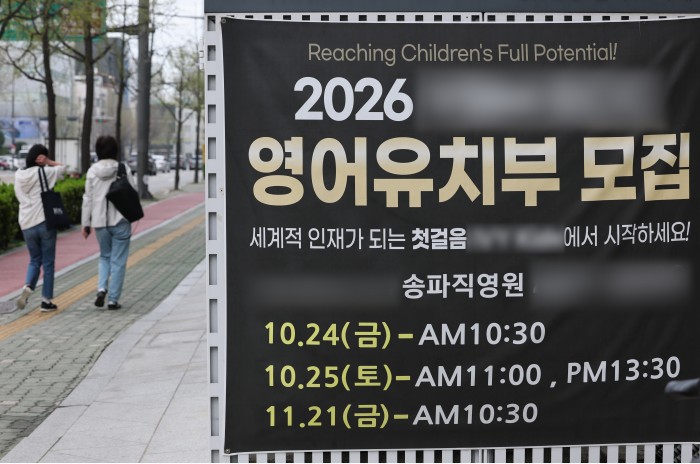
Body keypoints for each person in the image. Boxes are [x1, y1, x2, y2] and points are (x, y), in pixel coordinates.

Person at [81, 135, 136, 310]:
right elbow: (133, 191)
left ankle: (101, 288)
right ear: (115, 150)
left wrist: (85, 224)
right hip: (121, 220)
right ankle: (113, 300)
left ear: (98, 151)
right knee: (118, 261)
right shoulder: (123, 168)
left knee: (105, 256)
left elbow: (87, 199)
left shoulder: (92, 171)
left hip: (100, 222)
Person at [14, 144, 66, 312]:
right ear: (42, 157)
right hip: (44, 221)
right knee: (48, 262)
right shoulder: (44, 172)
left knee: (34, 259)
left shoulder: (18, 174)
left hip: (26, 223)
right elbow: (63, 168)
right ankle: (46, 301)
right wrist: (49, 162)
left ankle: (28, 285)